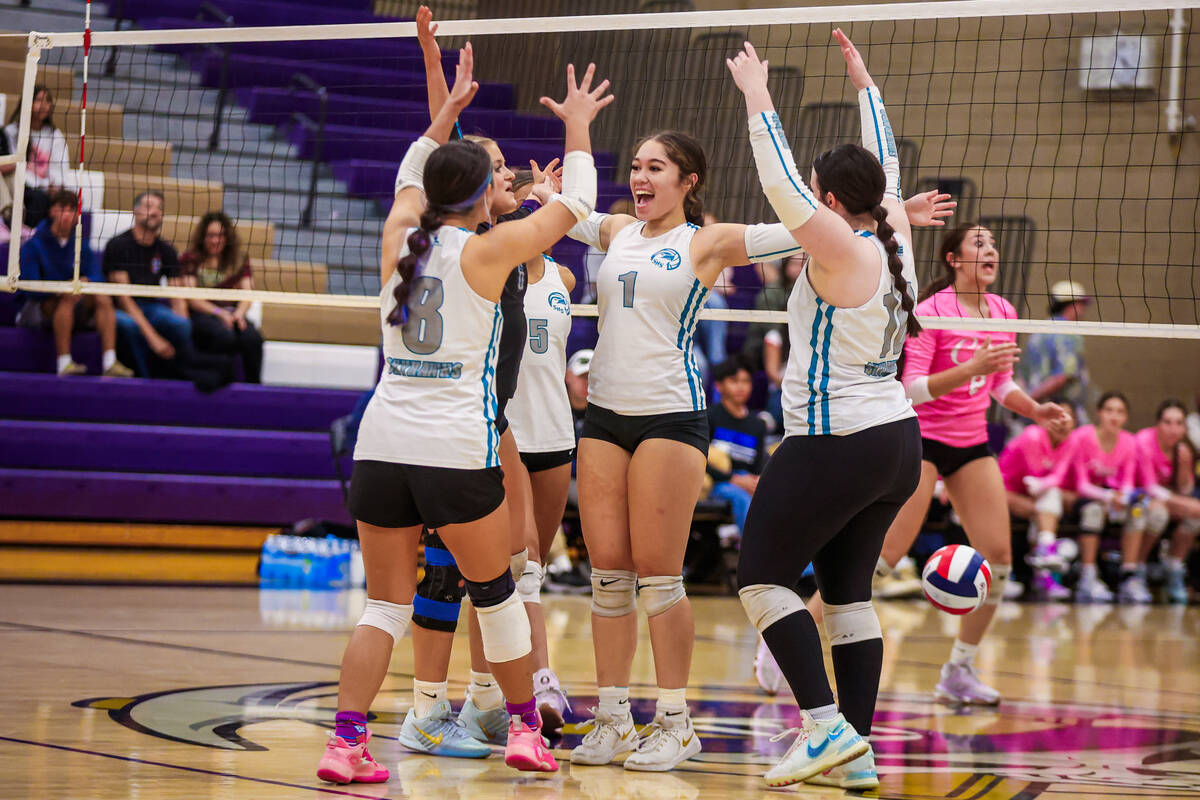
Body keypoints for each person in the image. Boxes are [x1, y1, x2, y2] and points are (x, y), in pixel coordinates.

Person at [315, 42, 610, 784]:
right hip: (454, 447)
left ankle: (345, 745)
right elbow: (575, 204)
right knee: (499, 591)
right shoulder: (490, 251)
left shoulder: (398, 240)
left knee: (383, 606)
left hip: (381, 446)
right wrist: (578, 129)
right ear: (483, 194)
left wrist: (444, 113)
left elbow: (409, 177)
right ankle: (520, 730)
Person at [563, 60, 843, 771]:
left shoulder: (706, 243)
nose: (640, 176)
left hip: (670, 419)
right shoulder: (619, 231)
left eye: (656, 167)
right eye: (635, 165)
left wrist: (826, 204)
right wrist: (574, 134)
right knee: (607, 575)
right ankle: (612, 716)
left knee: (659, 577)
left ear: (689, 181)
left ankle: (677, 720)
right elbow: (563, 209)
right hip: (604, 418)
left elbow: (799, 231)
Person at [728, 32, 924, 788]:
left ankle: (819, 726)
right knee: (847, 598)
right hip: (893, 445)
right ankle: (857, 752)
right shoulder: (894, 229)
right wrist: (865, 86)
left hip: (836, 438)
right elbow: (887, 170)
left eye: (820, 191)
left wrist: (757, 98)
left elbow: (781, 186)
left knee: (761, 578)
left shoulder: (840, 247)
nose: (810, 197)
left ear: (834, 205)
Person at [402, 6, 574, 748]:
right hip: (460, 425)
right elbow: (434, 165)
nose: (507, 173)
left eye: (507, 167)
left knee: (517, 567)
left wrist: (449, 97)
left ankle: (497, 695)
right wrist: (439, 83)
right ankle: (437, 708)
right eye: (495, 168)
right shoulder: (478, 247)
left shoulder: (511, 247)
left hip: (507, 425)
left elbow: (440, 166)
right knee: (456, 574)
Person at [1038, 392, 1149, 603]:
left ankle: (1129, 575)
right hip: (1085, 498)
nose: (1114, 416)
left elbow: (1127, 481)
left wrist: (1124, 497)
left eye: (1120, 412)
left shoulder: (1130, 442)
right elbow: (1081, 484)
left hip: (1114, 499)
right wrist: (1108, 496)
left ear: (1126, 417)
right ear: (1099, 413)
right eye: (1109, 410)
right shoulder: (1082, 436)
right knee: (1093, 511)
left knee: (1140, 509)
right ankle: (1087, 577)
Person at [16, 189, 132, 377]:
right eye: (63, 208)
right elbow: (30, 288)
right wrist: (62, 288)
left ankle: (110, 363)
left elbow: (97, 277)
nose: (68, 214)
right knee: (69, 294)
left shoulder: (81, 244)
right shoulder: (33, 244)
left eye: (72, 209)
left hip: (73, 305)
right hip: (36, 308)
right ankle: (64, 363)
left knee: (100, 294)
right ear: (52, 211)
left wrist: (86, 282)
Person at [101, 191, 193, 379]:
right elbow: (124, 300)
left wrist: (185, 324)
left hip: (151, 307)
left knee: (182, 326)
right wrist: (154, 339)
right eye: (149, 206)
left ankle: (183, 382)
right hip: (122, 309)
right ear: (135, 211)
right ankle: (144, 381)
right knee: (130, 327)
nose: (155, 212)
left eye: (159, 208)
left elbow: (178, 296)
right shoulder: (118, 245)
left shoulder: (166, 249)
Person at [998, 404, 1077, 599]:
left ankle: (1045, 562)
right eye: (1058, 416)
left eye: (1067, 417)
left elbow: (1057, 477)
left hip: (1031, 496)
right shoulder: (1032, 435)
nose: (1063, 422)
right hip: (1001, 490)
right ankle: (1005, 575)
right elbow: (1033, 479)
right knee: (1046, 504)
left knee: (1049, 500)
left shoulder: (1070, 442)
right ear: (1046, 419)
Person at [179, 211, 265, 383]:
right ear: (203, 237)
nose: (215, 241)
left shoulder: (239, 260)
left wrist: (238, 314)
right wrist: (219, 313)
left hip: (232, 314)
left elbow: (247, 293)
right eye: (210, 235)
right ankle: (222, 387)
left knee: (253, 338)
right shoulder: (191, 259)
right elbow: (192, 298)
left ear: (227, 238)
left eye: (220, 236)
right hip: (204, 315)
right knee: (224, 336)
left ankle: (253, 388)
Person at [1135, 399, 1200, 603]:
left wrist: (1183, 467)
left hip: (1166, 500)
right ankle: (1137, 568)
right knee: (1158, 514)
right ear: (1157, 424)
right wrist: (1185, 504)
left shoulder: (1182, 449)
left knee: (1195, 517)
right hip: (1136, 499)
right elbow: (1149, 487)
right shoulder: (1144, 441)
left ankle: (1173, 568)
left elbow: (1186, 489)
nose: (1173, 428)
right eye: (1168, 422)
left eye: (1179, 423)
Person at [706, 356, 767, 539]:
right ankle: (756, 554)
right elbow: (700, 460)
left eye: (746, 381)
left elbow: (757, 466)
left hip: (746, 481)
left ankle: (803, 565)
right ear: (719, 386)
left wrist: (755, 481)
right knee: (740, 497)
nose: (741, 387)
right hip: (716, 483)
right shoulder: (710, 416)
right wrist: (734, 479)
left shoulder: (757, 425)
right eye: (734, 381)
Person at [1019, 280, 1092, 421]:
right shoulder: (1069, 334)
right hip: (1059, 414)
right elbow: (1061, 377)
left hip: (1032, 414)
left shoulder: (1038, 332)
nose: (1083, 310)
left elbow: (1023, 375)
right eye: (1082, 304)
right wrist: (1030, 402)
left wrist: (1025, 403)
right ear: (1074, 305)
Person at [4, 85, 69, 227]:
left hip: (45, 190)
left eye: (47, 101)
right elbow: (12, 165)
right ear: (28, 102)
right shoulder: (12, 132)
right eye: (38, 100)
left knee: (55, 201)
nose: (44, 106)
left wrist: (53, 185)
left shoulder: (55, 136)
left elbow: (61, 169)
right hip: (19, 186)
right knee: (35, 198)